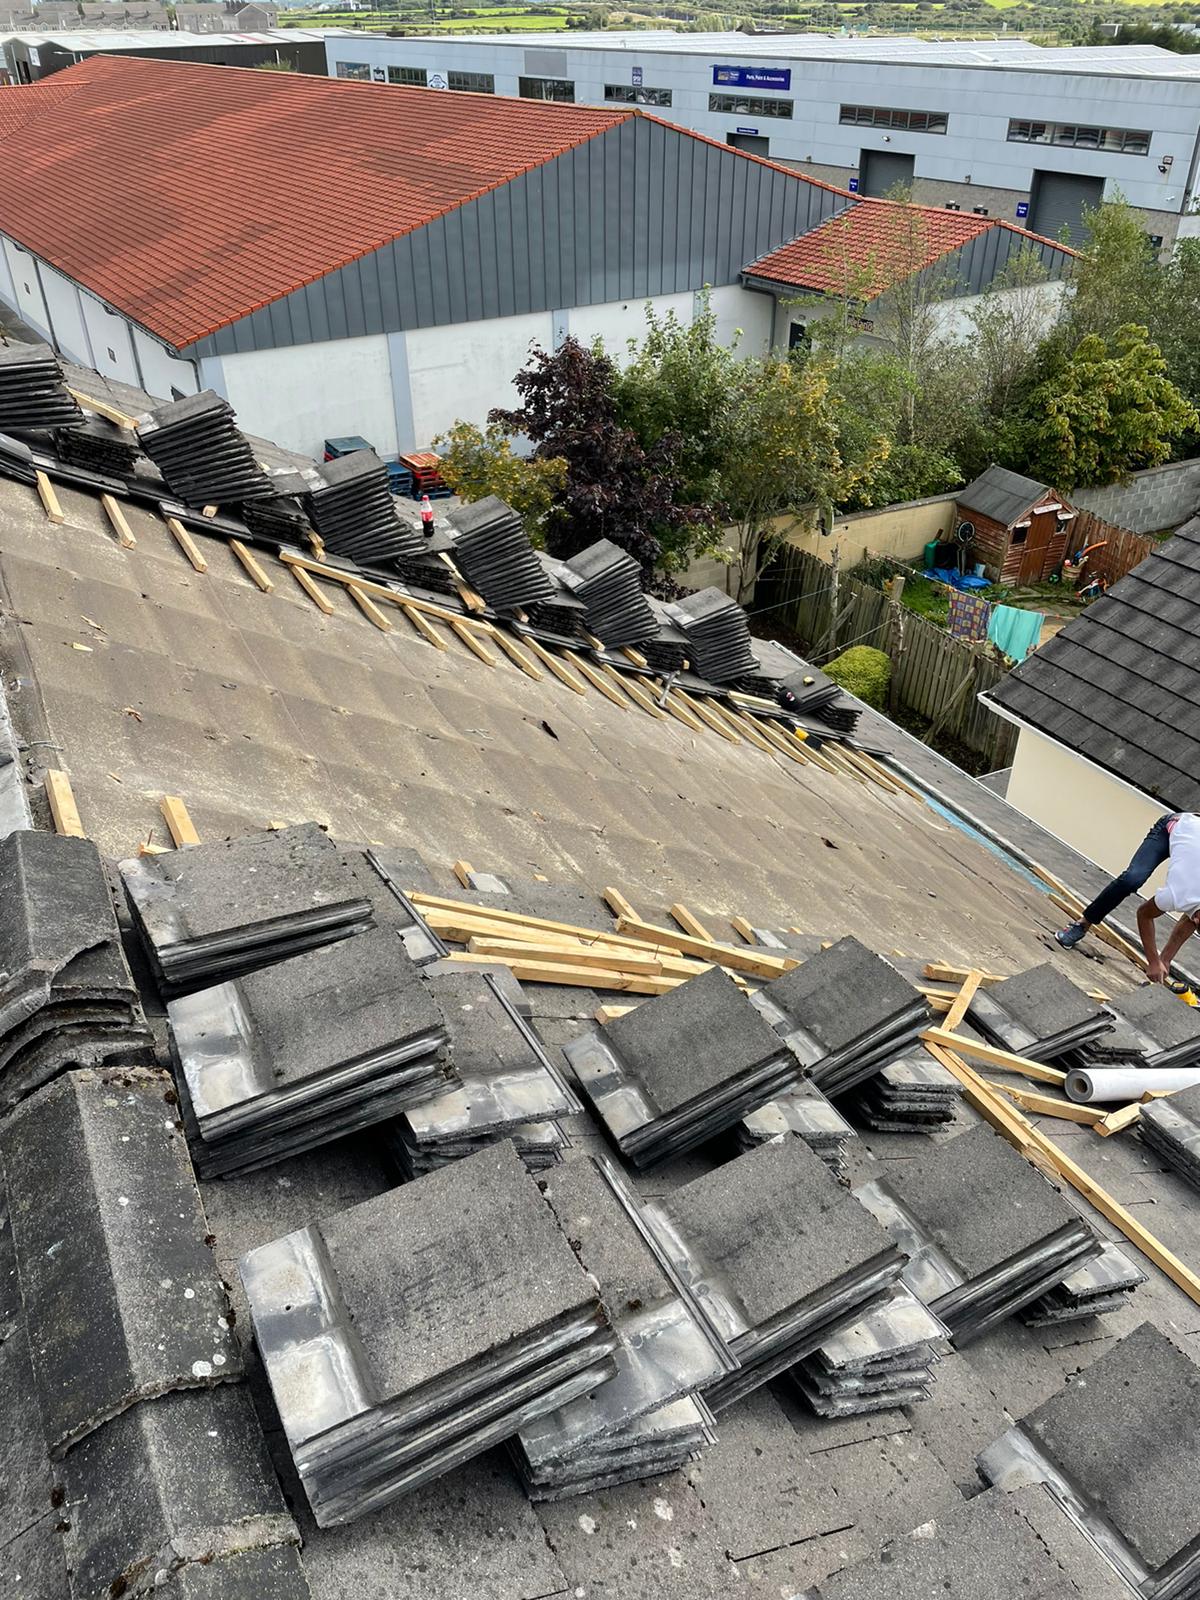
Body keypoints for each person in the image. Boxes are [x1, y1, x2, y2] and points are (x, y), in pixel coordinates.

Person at [1057, 812, 1200, 979]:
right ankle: (1083, 923)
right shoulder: (1177, 893)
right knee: (1132, 879)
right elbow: (1144, 914)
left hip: (1191, 841)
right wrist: (1153, 961)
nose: (1193, 920)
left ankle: (1165, 961)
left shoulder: (1192, 904)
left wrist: (1165, 961)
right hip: (1171, 827)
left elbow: (1192, 916)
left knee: (1192, 908)